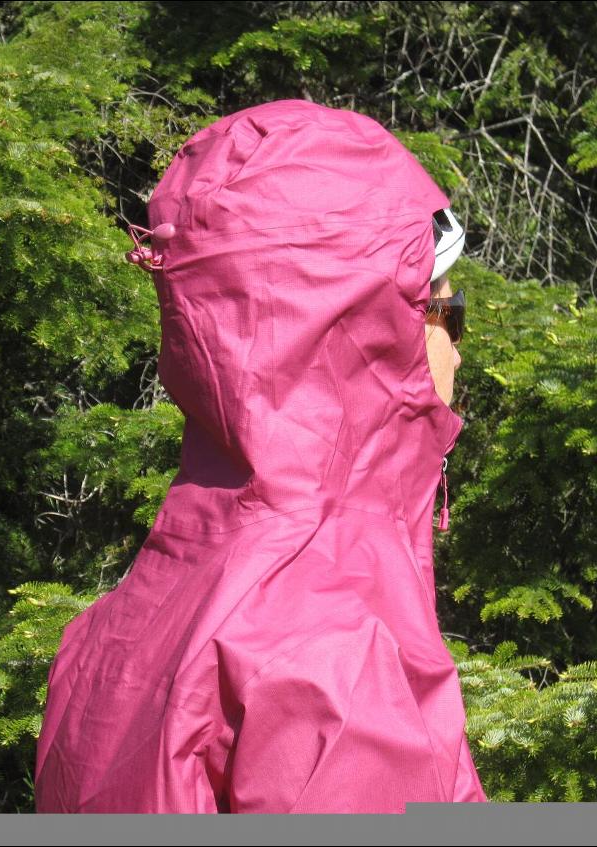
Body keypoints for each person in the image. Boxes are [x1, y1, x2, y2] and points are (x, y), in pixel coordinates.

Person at [34, 99, 487, 813]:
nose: (458, 347)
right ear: (362, 328)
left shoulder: (133, 610)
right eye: (445, 312)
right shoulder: (334, 659)